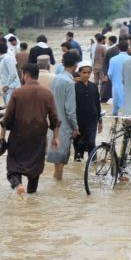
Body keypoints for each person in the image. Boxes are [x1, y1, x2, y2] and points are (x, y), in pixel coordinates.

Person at [0, 63, 60, 196]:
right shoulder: (47, 94)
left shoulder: (17, 93)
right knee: (34, 171)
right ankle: (31, 195)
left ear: (25, 75)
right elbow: (54, 118)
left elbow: (7, 118)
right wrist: (56, 137)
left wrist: (2, 136)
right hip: (38, 138)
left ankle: (18, 185)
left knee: (13, 168)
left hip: (18, 136)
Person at [49, 51, 79, 180]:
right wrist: (75, 127)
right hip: (65, 125)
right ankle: (58, 183)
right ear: (76, 66)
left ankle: (57, 181)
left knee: (57, 158)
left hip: (54, 122)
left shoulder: (56, 78)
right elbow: (70, 110)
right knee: (61, 159)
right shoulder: (69, 83)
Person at [73, 61, 102, 162]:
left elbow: (97, 104)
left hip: (92, 120)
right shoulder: (74, 87)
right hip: (79, 120)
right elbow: (72, 106)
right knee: (78, 144)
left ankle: (92, 164)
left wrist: (100, 121)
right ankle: (78, 166)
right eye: (84, 72)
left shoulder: (94, 87)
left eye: (89, 72)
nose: (87, 75)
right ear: (79, 73)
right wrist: (73, 123)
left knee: (91, 142)